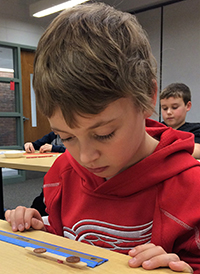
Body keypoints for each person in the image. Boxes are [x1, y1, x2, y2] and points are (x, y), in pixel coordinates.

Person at [5, 3, 200, 273]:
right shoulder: (62, 173)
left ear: (147, 97)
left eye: (104, 134)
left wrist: (184, 269)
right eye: (67, 137)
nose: (85, 157)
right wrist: (40, 226)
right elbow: (69, 240)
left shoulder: (192, 190)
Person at [160, 83, 200, 159]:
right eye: (164, 108)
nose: (168, 112)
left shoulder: (196, 130)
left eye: (174, 107)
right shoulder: (157, 128)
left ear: (188, 106)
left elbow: (197, 150)